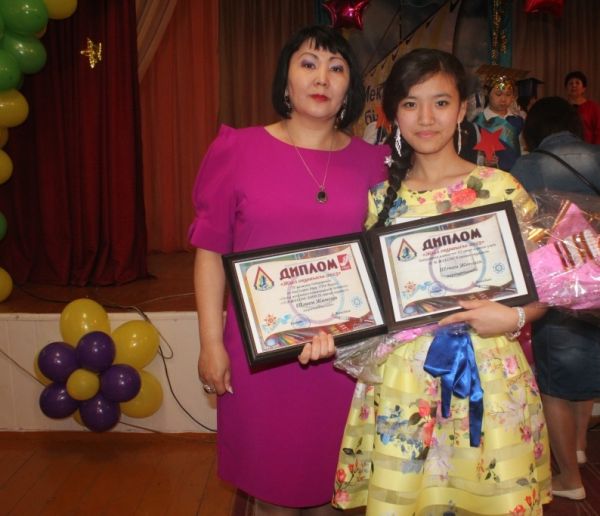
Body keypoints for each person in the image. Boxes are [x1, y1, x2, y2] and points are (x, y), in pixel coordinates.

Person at [333, 48, 552, 515]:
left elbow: (544, 290)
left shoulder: (501, 188)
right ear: (393, 115)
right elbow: (367, 302)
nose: (426, 118)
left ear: (462, 108)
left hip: (490, 376)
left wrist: (513, 317)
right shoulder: (379, 202)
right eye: (411, 104)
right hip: (404, 383)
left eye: (441, 102)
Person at [189, 25, 387, 515]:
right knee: (270, 486)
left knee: (337, 488)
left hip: (343, 357)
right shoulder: (237, 149)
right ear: (286, 79)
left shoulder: (375, 163)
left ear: (350, 89)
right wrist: (211, 343)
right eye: (308, 64)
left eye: (336, 68)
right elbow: (210, 251)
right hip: (262, 359)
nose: (322, 78)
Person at [512, 96, 600, 501]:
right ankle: (579, 447)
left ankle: (569, 478)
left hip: (557, 281)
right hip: (598, 278)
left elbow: (517, 226)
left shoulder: (526, 166)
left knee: (554, 380)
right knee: (588, 361)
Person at [472, 74, 524, 170]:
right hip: (490, 174)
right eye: (498, 94)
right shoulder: (478, 122)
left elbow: (523, 148)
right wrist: (483, 160)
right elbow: (472, 153)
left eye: (508, 95)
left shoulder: (518, 120)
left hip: (516, 173)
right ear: (487, 94)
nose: (503, 99)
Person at [564, 70, 600, 144]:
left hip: (588, 148)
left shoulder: (593, 107)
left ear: (584, 88)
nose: (574, 85)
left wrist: (595, 149)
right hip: (566, 147)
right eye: (570, 83)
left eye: (577, 83)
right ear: (566, 88)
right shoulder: (562, 106)